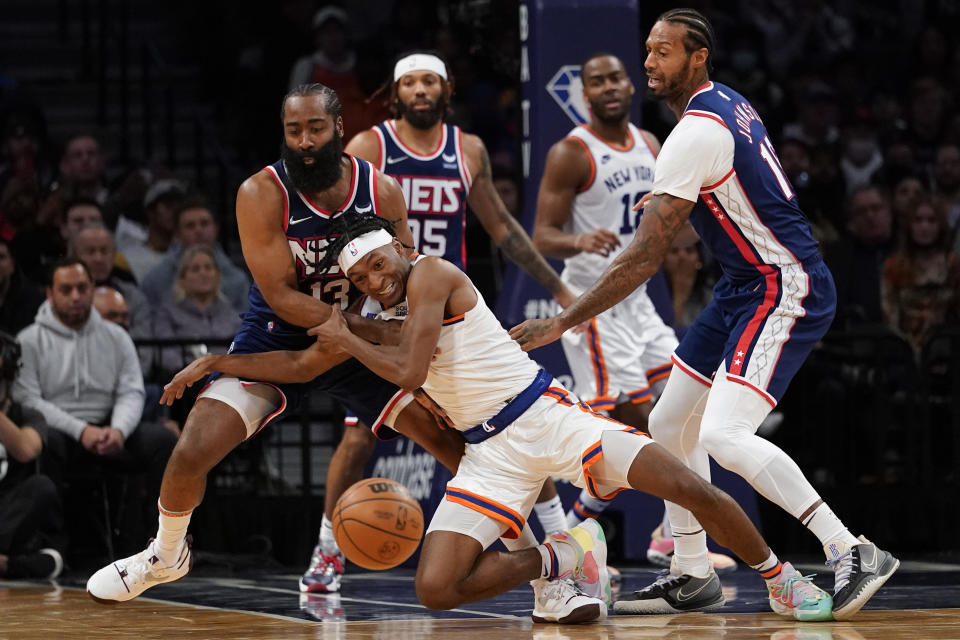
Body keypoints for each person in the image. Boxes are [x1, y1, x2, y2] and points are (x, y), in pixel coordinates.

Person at [161, 214, 835, 623]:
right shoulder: (372, 315)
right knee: (434, 588)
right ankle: (566, 552)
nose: (372, 279)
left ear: (399, 248)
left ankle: (783, 578)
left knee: (689, 485)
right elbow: (304, 367)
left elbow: (411, 373)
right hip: (490, 454)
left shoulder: (432, 275)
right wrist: (220, 364)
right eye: (360, 277)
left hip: (548, 417)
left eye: (376, 264)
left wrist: (347, 338)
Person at [510, 8, 898, 621]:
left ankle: (851, 549)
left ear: (697, 57)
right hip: (742, 284)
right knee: (668, 425)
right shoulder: (725, 104)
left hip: (782, 283)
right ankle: (691, 572)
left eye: (662, 52)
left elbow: (642, 259)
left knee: (722, 434)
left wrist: (560, 323)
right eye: (648, 51)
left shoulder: (693, 133)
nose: (648, 63)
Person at [85, 84, 472, 605]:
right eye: (294, 131)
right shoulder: (261, 192)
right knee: (191, 450)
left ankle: (547, 565)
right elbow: (280, 295)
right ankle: (165, 554)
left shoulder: (380, 190)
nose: (305, 141)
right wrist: (342, 332)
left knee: (459, 445)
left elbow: (407, 270)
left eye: (315, 128)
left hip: (359, 337)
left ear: (338, 129)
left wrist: (388, 332)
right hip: (280, 335)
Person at [301, 51, 576, 595]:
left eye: (430, 80)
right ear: (395, 91)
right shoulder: (371, 147)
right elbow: (339, 229)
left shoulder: (466, 149)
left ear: (446, 89)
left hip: (450, 315)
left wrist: (559, 287)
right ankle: (328, 551)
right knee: (359, 437)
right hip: (383, 308)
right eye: (410, 82)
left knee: (505, 426)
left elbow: (502, 228)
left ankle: (562, 542)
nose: (420, 90)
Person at [12, 258, 177, 553]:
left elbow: (131, 391)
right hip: (59, 431)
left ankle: (162, 546)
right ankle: (53, 547)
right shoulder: (29, 340)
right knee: (43, 443)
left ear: (92, 289)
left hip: (109, 428)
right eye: (66, 289)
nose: (75, 296)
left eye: (81, 288)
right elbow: (29, 400)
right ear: (50, 294)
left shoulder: (116, 337)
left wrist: (119, 430)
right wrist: (81, 430)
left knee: (163, 441)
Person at [0, 329, 64, 581]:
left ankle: (10, 564)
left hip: (8, 510)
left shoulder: (27, 415)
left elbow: (27, 450)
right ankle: (12, 565)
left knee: (41, 486)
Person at [140, 195, 251, 312]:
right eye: (190, 226)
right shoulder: (155, 281)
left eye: (204, 223)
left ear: (216, 229)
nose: (198, 230)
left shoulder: (238, 281)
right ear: (177, 234)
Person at [881, 196, 960, 353]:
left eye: (931, 220)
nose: (924, 227)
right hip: (905, 349)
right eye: (918, 220)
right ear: (909, 225)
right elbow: (890, 314)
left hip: (949, 348)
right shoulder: (894, 266)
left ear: (941, 225)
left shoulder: (954, 265)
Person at [152, 245, 242, 377]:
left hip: (227, 379)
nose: (203, 273)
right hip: (185, 383)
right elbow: (167, 357)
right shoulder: (167, 314)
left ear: (217, 275)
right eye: (195, 269)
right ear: (182, 279)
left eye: (208, 268)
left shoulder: (233, 315)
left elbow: (243, 354)